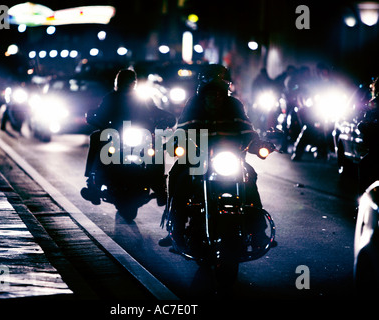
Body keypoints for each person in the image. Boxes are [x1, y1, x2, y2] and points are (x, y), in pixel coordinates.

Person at [159, 64, 275, 248]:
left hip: (231, 160)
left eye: (219, 92)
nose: (215, 97)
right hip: (197, 160)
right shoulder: (193, 105)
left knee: (250, 177)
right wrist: (176, 145)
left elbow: (247, 131)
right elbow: (182, 131)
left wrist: (259, 145)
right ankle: (175, 230)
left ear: (226, 89)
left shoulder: (235, 105)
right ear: (203, 91)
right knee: (177, 176)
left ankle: (258, 232)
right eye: (211, 92)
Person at [81, 68, 176, 204]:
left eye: (131, 81)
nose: (128, 84)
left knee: (157, 148)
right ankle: (92, 182)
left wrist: (167, 119)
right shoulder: (111, 98)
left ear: (135, 83)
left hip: (142, 137)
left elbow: (156, 112)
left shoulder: (143, 100)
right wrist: (94, 118)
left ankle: (160, 187)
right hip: (115, 136)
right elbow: (99, 114)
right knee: (96, 138)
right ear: (118, 82)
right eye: (125, 81)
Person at [358, 76, 379, 194]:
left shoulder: (374, 104)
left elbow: (368, 123)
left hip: (376, 148)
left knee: (364, 166)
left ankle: (363, 202)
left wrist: (362, 126)